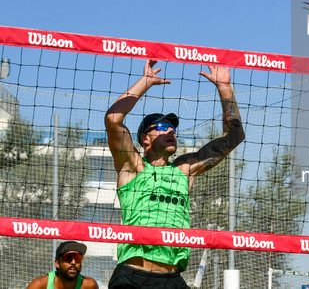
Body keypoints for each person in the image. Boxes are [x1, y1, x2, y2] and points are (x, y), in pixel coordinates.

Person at [104, 60, 245, 289]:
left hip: (172, 280)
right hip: (133, 277)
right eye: (161, 127)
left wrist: (224, 88)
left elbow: (234, 137)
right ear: (145, 139)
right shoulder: (132, 167)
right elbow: (113, 119)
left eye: (172, 128)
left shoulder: (183, 169)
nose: (170, 130)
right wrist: (146, 82)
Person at [26, 241, 99, 289]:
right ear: (57, 263)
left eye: (77, 258)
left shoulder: (89, 285)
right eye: (68, 257)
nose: (73, 262)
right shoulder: (39, 285)